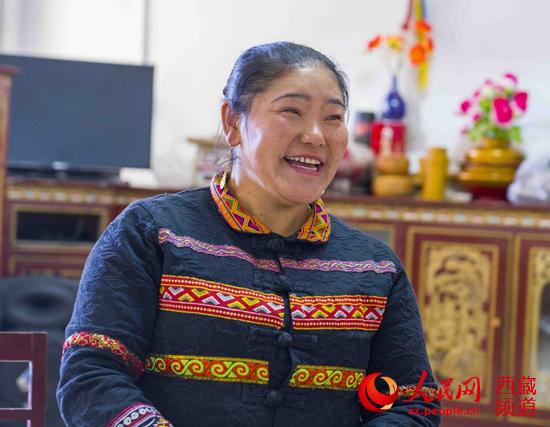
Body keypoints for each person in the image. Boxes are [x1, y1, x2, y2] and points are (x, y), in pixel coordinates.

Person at [57, 41, 441, 427]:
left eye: (333, 117)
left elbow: (413, 403)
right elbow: (92, 377)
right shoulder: (151, 233)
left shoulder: (376, 267)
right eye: (291, 111)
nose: (316, 135)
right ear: (232, 122)